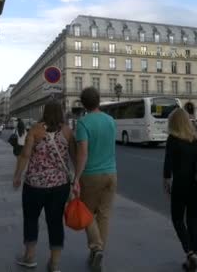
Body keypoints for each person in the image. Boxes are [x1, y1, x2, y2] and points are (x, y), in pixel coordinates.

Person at [13, 101, 75, 272]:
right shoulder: (68, 132)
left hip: (34, 184)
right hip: (59, 185)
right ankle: (54, 264)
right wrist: (77, 179)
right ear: (61, 113)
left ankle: (30, 257)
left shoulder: (35, 130)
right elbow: (74, 157)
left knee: (31, 219)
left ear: (45, 112)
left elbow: (25, 155)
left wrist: (17, 176)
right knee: (55, 222)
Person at [73, 87, 117, 270]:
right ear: (99, 101)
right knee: (104, 215)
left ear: (83, 104)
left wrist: (76, 177)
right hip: (111, 174)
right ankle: (98, 253)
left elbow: (82, 153)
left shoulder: (83, 123)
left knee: (87, 213)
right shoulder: (111, 120)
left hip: (91, 174)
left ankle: (96, 247)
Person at [163, 108, 197, 271]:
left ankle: (190, 253)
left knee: (177, 219)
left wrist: (166, 182)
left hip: (181, 184)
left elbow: (168, 166)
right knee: (193, 220)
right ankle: (192, 255)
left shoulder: (173, 139)